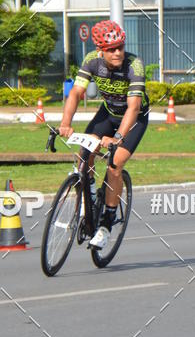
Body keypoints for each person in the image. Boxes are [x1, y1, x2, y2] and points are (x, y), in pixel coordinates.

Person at [59, 20, 149, 250]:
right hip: (107, 113)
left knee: (114, 165)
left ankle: (107, 223)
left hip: (133, 119)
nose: (118, 52)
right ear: (100, 50)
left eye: (120, 47)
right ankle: (87, 193)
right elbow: (77, 92)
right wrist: (66, 123)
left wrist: (118, 138)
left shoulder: (134, 66)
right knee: (84, 155)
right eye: (111, 49)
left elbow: (133, 107)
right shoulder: (91, 60)